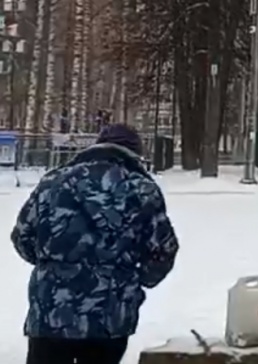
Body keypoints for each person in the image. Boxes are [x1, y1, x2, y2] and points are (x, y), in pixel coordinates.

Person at [11, 124, 179, 364]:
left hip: (51, 309)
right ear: (134, 153)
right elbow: (163, 249)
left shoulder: (53, 181)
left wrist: (53, 266)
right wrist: (136, 279)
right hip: (110, 312)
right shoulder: (142, 189)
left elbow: (23, 236)